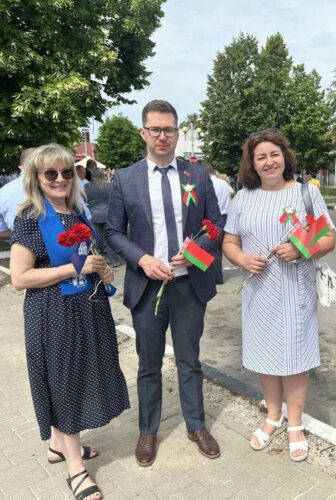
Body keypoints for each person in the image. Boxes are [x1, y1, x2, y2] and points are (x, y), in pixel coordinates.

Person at [105, 99, 223, 466]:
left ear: (177, 132)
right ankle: (148, 431)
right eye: (154, 129)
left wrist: (195, 250)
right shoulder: (125, 179)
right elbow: (111, 231)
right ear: (143, 132)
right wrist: (140, 258)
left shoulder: (197, 175)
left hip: (189, 285)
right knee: (148, 364)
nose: (162, 136)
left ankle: (196, 425)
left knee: (190, 360)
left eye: (169, 130)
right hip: (147, 285)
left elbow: (215, 225)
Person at [9, 144, 130, 500]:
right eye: (51, 174)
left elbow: (90, 256)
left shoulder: (78, 212)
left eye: (66, 172)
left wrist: (103, 270)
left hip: (87, 311)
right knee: (65, 383)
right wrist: (72, 269)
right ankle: (75, 470)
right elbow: (19, 278)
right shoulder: (30, 218)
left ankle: (60, 447)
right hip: (53, 315)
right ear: (37, 178)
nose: (60, 179)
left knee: (82, 377)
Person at [223, 130, 335, 462]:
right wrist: (242, 259)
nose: (269, 161)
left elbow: (327, 239)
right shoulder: (242, 198)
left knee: (295, 358)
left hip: (294, 291)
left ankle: (296, 422)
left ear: (285, 157)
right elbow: (229, 243)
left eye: (275, 154)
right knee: (265, 356)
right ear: (252, 164)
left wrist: (301, 248)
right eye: (261, 157)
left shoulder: (305, 194)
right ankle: (273, 415)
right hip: (258, 291)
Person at [204, 162, 234, 284]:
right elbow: (232, 192)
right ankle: (217, 275)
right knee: (219, 247)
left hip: (214, 217)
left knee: (212, 248)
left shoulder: (210, 183)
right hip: (226, 216)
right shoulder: (223, 183)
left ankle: (215, 276)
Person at [84, 168, 120, 267]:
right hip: (108, 214)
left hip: (94, 215)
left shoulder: (87, 187)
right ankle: (114, 261)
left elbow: (85, 199)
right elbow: (114, 198)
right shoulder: (109, 185)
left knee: (97, 239)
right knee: (109, 238)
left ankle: (99, 262)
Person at [0, 148, 37, 239]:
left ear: (21, 167)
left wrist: (19, 232)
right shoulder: (60, 186)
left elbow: (1, 231)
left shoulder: (3, 191)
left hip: (17, 247)